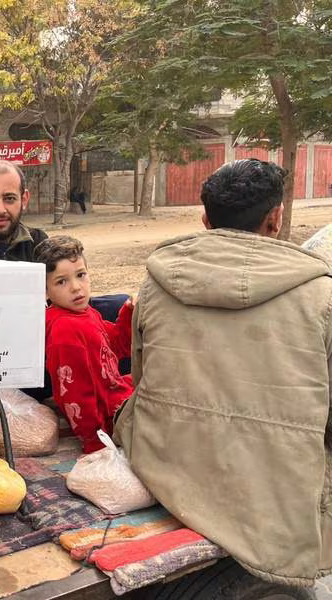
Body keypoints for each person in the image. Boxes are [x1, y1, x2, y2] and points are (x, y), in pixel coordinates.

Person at [114, 158, 332, 586]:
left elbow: (141, 383)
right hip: (279, 509)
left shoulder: (154, 284)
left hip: (164, 473)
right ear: (275, 219)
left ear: (205, 220)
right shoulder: (322, 296)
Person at [34, 235, 133, 453]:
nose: (76, 287)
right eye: (62, 281)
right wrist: (95, 442)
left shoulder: (87, 313)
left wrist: (128, 314)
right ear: (45, 291)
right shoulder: (64, 329)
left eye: (81, 275)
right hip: (111, 418)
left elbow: (115, 347)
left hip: (117, 395)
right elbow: (74, 393)